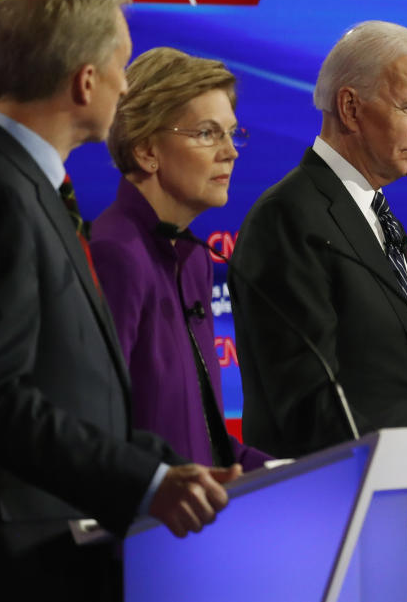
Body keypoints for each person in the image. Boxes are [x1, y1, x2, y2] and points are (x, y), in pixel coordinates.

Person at [0, 0, 239, 601]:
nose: (127, 82)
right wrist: (145, 480)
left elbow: (71, 389)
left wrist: (168, 467)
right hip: (21, 559)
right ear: (85, 81)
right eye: (121, 63)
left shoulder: (32, 188)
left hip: (60, 547)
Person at [231, 21, 407, 459]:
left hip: (393, 489)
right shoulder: (290, 217)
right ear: (350, 108)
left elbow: (397, 395)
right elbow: (310, 404)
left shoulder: (375, 213)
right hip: (329, 501)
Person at [90, 47, 271, 471]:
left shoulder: (192, 259)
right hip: (146, 524)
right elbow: (98, 432)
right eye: (208, 133)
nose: (231, 152)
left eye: (231, 133)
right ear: (146, 150)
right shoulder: (114, 254)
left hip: (195, 521)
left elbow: (203, 440)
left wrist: (298, 475)